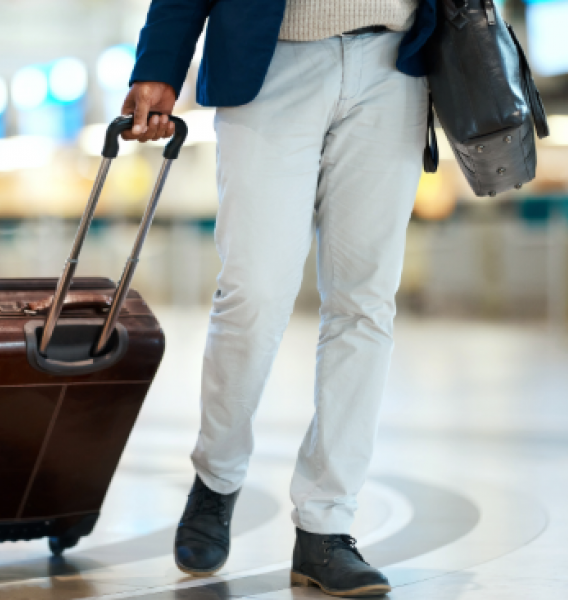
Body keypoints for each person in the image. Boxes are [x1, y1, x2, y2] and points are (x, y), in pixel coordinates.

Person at [121, 0, 437, 596]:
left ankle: (327, 526)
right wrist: (160, 63)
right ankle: (215, 478)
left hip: (395, 63)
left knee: (365, 303)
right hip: (270, 59)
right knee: (254, 291)